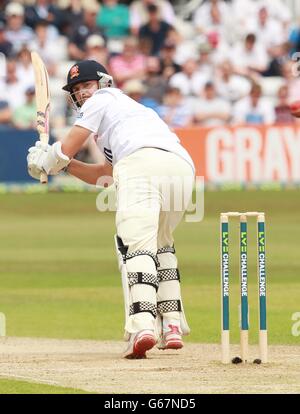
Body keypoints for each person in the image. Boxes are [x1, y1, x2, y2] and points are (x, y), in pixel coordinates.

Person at [26, 60, 195, 359]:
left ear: (103, 83)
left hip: (142, 165)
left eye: (86, 86)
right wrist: (61, 165)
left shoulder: (102, 99)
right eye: (76, 90)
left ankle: (143, 327)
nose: (82, 94)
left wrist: (48, 159)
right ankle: (171, 326)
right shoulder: (130, 113)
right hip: (181, 168)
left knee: (135, 246)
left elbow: (68, 146)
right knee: (161, 242)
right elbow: (105, 175)